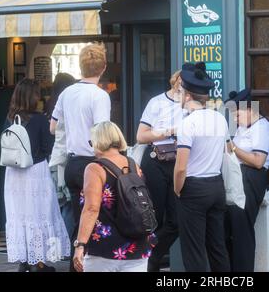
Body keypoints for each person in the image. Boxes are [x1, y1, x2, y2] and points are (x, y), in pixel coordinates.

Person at [50, 43, 111, 271]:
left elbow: (53, 127)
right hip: (92, 163)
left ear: (80, 66)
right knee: (95, 222)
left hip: (72, 164)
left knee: (79, 221)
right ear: (103, 67)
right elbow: (101, 134)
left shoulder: (67, 93)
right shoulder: (99, 96)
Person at [3, 78, 70, 272]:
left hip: (13, 174)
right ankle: (37, 263)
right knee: (39, 215)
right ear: (32, 97)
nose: (39, 97)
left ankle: (25, 261)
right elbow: (48, 147)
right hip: (35, 173)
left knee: (21, 217)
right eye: (37, 94)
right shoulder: (39, 119)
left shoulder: (10, 118)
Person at [73, 121, 156, 272]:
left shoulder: (95, 168)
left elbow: (91, 208)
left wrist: (80, 245)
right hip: (137, 248)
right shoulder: (134, 165)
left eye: (92, 142)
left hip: (104, 250)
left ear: (99, 141)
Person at [174, 66, 230, 272]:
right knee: (217, 247)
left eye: (180, 92)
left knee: (194, 250)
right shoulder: (220, 119)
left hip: (193, 188)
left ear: (188, 96)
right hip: (216, 186)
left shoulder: (187, 124)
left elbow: (181, 168)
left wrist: (177, 189)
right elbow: (227, 152)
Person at [136, 69, 185, 272]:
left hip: (178, 162)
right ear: (174, 80)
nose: (182, 85)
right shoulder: (156, 102)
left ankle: (153, 257)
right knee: (153, 215)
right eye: (181, 81)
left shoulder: (192, 106)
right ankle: (147, 262)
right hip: (156, 160)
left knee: (176, 220)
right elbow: (141, 136)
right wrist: (169, 131)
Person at [224, 89, 269, 272]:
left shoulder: (263, 128)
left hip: (250, 179)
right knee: (229, 231)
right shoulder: (243, 127)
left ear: (249, 109)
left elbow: (258, 161)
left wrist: (233, 148)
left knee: (242, 231)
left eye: (237, 114)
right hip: (236, 177)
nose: (235, 120)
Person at [46, 73, 76, 238]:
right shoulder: (65, 104)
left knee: (62, 203)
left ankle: (61, 243)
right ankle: (65, 243)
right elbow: (53, 129)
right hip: (64, 159)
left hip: (54, 158)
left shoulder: (51, 103)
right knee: (69, 204)